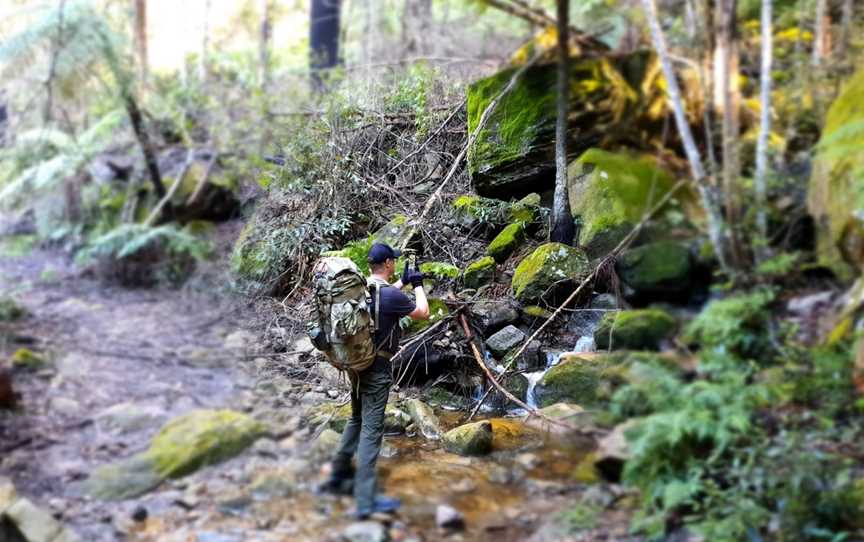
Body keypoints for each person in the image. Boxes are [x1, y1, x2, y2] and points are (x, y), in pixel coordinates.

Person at [319, 242, 429, 519]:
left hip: (355, 364)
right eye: (395, 262)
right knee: (371, 431)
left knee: (356, 419)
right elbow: (422, 313)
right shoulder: (390, 294)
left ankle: (336, 476)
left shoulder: (361, 288)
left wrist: (403, 280)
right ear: (389, 263)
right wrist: (417, 285)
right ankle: (365, 501)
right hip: (377, 369)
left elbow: (384, 299)